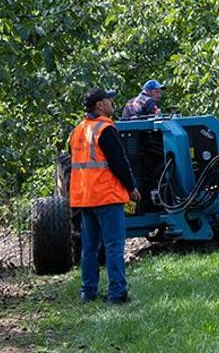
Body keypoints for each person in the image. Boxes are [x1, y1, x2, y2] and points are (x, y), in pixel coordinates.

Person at [69, 88, 141, 304]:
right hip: (106, 197)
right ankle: (117, 294)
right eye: (109, 100)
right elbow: (119, 164)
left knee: (89, 248)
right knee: (114, 246)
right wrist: (132, 189)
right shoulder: (105, 129)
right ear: (99, 105)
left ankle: (88, 292)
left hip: (85, 198)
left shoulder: (78, 130)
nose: (112, 103)